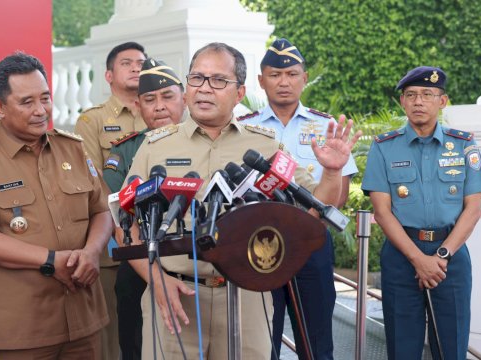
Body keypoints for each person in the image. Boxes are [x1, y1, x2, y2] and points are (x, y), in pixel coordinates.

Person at [124, 42, 360, 359]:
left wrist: (332, 171)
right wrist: (157, 282)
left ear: (239, 93)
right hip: (175, 294)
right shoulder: (155, 146)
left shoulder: (263, 144)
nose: (205, 89)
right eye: (197, 78)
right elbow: (125, 226)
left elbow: (314, 207)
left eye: (218, 80)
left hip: (247, 296)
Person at [0, 52, 113, 359]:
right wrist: (51, 260)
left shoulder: (73, 149)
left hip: (83, 319)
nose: (41, 111)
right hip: (21, 330)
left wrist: (92, 252)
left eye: (45, 98)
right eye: (27, 102)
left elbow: (101, 210)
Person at [238, 38, 358, 360]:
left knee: (317, 341)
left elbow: (340, 197)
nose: (284, 82)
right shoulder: (243, 129)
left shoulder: (327, 127)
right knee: (262, 341)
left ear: (304, 78)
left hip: (311, 243)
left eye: (291, 74)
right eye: (275, 75)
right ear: (261, 81)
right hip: (260, 246)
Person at [361, 66, 481, 360]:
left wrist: (440, 257)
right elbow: (382, 212)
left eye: (428, 94)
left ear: (442, 101)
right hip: (401, 254)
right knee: (402, 345)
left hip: (452, 257)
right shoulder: (384, 148)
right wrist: (418, 259)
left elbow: (473, 208)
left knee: (451, 347)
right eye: (411, 95)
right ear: (402, 102)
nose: (419, 101)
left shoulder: (463, 144)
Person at [103, 57, 186, 360]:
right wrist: (154, 276)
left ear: (184, 98)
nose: (160, 106)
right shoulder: (125, 150)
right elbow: (118, 219)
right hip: (139, 264)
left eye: (168, 97)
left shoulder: (206, 142)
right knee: (137, 348)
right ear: (138, 106)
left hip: (194, 263)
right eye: (149, 99)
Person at [75, 41, 147, 360]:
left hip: (159, 236)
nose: (136, 67)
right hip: (114, 242)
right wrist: (120, 224)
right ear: (108, 74)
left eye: (141, 63)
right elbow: (94, 182)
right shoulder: (93, 121)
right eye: (126, 63)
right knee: (115, 330)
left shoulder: (158, 112)